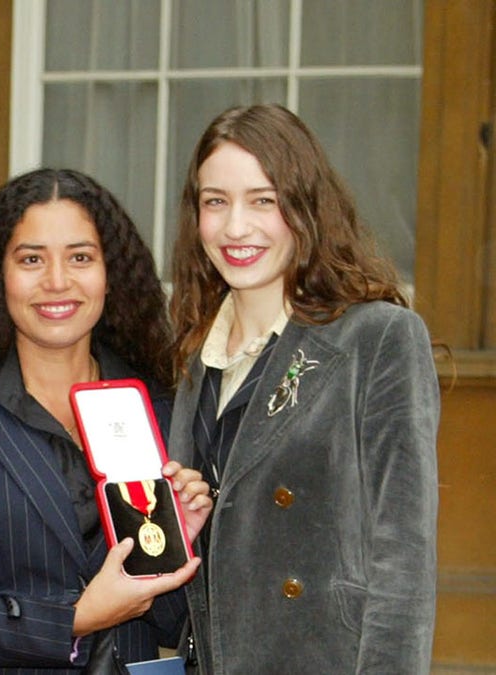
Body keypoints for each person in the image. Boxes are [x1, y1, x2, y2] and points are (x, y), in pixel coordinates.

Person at [0, 168, 212, 673]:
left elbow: (174, 623)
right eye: (31, 259)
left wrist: (180, 544)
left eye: (81, 257)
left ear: (111, 274)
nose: (58, 281)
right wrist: (73, 618)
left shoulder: (160, 408)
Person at [167, 104, 440, 673]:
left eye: (263, 200)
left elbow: (403, 564)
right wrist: (184, 529)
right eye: (216, 201)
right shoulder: (196, 359)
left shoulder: (378, 337)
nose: (236, 227)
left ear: (306, 208)